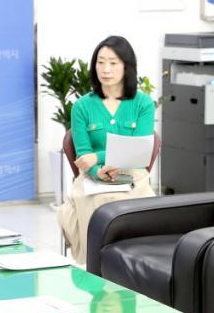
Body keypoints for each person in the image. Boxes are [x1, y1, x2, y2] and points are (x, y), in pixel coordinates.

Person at [58, 35, 155, 264]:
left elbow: (139, 150)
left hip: (132, 174)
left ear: (126, 66)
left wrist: (98, 156)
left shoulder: (143, 103)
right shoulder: (82, 106)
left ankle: (135, 266)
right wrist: (96, 169)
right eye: (100, 62)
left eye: (113, 62)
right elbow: (83, 155)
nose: (106, 69)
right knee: (99, 205)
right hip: (93, 177)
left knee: (138, 209)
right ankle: (96, 266)